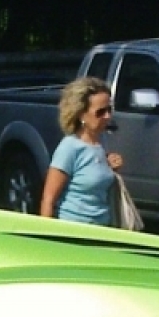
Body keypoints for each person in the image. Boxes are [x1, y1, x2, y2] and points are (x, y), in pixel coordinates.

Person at [39, 76, 123, 224]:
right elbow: (48, 199)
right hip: (73, 231)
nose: (107, 116)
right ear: (81, 114)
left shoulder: (101, 141)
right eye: (100, 112)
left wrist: (112, 167)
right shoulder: (69, 147)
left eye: (109, 110)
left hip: (101, 229)